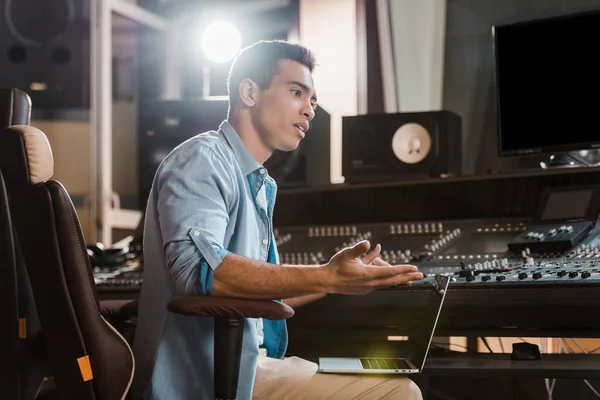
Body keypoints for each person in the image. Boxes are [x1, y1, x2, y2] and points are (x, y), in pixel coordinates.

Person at [131, 40, 425, 400]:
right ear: (250, 92)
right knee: (400, 393)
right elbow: (200, 273)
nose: (310, 111)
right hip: (202, 379)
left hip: (245, 366)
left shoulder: (257, 181)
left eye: (313, 100)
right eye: (296, 92)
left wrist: (338, 281)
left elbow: (253, 289)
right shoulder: (203, 159)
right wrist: (326, 276)